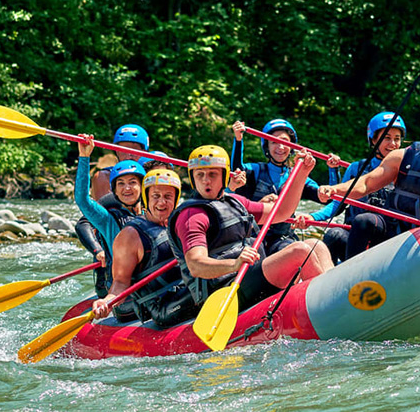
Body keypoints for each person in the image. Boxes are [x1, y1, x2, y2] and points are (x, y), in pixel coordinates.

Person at [169, 145, 332, 312]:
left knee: (315, 245)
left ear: (225, 176)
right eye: (200, 175)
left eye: (212, 174)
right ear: (193, 178)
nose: (206, 180)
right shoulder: (191, 216)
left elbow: (282, 211)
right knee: (299, 251)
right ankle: (328, 308)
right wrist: (234, 264)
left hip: (250, 274)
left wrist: (302, 174)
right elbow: (196, 266)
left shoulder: (235, 202)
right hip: (224, 287)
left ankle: (335, 296)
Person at [318, 100, 420, 261]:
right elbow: (367, 183)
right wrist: (335, 190)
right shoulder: (402, 156)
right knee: (363, 221)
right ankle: (352, 277)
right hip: (393, 229)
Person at [91, 168, 195, 327]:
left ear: (176, 199)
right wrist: (107, 302)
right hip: (161, 305)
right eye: (156, 196)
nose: (161, 202)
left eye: (168, 197)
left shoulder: (179, 222)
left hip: (184, 290)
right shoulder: (130, 236)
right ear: (146, 198)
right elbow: (120, 283)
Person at [229, 118, 338, 254]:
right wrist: (238, 140)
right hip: (253, 236)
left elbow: (331, 200)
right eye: (274, 142)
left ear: (292, 146)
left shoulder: (299, 177)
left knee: (291, 249)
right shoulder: (255, 170)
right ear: (266, 146)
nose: (280, 147)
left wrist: (333, 170)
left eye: (285, 142)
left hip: (283, 238)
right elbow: (237, 170)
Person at [308, 111, 406, 261]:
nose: (393, 144)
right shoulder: (356, 169)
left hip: (388, 237)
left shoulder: (406, 171)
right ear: (373, 140)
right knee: (335, 235)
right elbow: (337, 206)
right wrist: (311, 217)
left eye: (397, 139)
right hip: (356, 237)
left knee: (365, 221)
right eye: (387, 138)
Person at [75, 134, 145, 296]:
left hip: (151, 284)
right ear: (114, 190)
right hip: (126, 291)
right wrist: (84, 157)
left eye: (132, 182)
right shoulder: (108, 220)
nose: (126, 188)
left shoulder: (153, 213)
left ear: (143, 187)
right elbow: (82, 200)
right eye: (121, 184)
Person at [90, 124, 150, 199]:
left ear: (144, 152)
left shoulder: (152, 176)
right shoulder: (104, 177)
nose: (128, 156)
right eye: (123, 151)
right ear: (117, 152)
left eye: (134, 150)